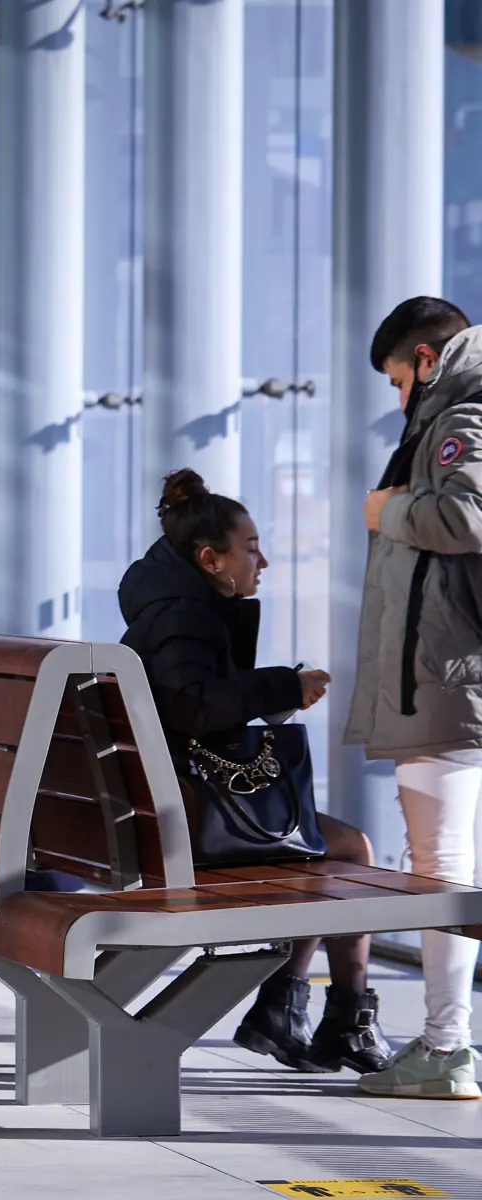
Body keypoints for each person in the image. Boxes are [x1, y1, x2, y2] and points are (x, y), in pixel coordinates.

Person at [121, 468, 390, 1076]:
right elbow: (193, 704)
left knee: (323, 847)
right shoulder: (183, 616)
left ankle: (290, 1010)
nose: (262, 561)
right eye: (251, 548)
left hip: (159, 809)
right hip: (185, 824)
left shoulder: (169, 605)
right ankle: (333, 1016)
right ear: (211, 558)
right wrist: (280, 685)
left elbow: (191, 704)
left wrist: (276, 693)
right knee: (347, 849)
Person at [347, 297, 482, 1100]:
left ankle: (447, 1046)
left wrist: (387, 510)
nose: (398, 397)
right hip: (445, 673)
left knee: (440, 866)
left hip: (448, 676)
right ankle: (447, 1042)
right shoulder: (449, 413)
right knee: (444, 862)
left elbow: (467, 515)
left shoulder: (463, 414)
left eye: (400, 379)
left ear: (427, 359)